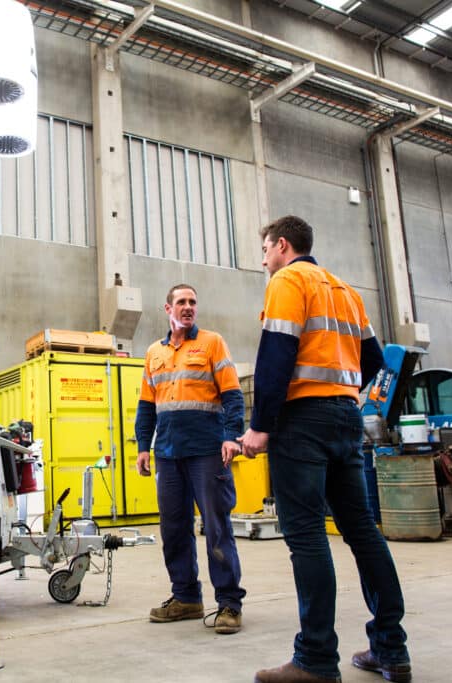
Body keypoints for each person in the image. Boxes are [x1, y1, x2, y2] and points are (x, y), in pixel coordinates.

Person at [239, 216, 411, 683]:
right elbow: (374, 358)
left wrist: (259, 427)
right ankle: (392, 650)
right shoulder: (345, 290)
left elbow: (275, 356)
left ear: (281, 245)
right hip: (345, 417)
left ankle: (315, 660)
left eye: (265, 250)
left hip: (303, 422)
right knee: (362, 531)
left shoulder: (287, 280)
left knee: (308, 536)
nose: (263, 260)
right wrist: (347, 390)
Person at [135, 283, 246, 635]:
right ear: (167, 308)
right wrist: (143, 446)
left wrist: (231, 436)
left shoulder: (212, 343)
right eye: (181, 302)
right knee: (173, 528)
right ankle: (185, 597)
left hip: (207, 452)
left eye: (193, 302)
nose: (188, 307)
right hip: (167, 453)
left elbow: (232, 395)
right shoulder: (154, 352)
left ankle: (229, 603)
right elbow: (145, 405)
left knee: (216, 527)